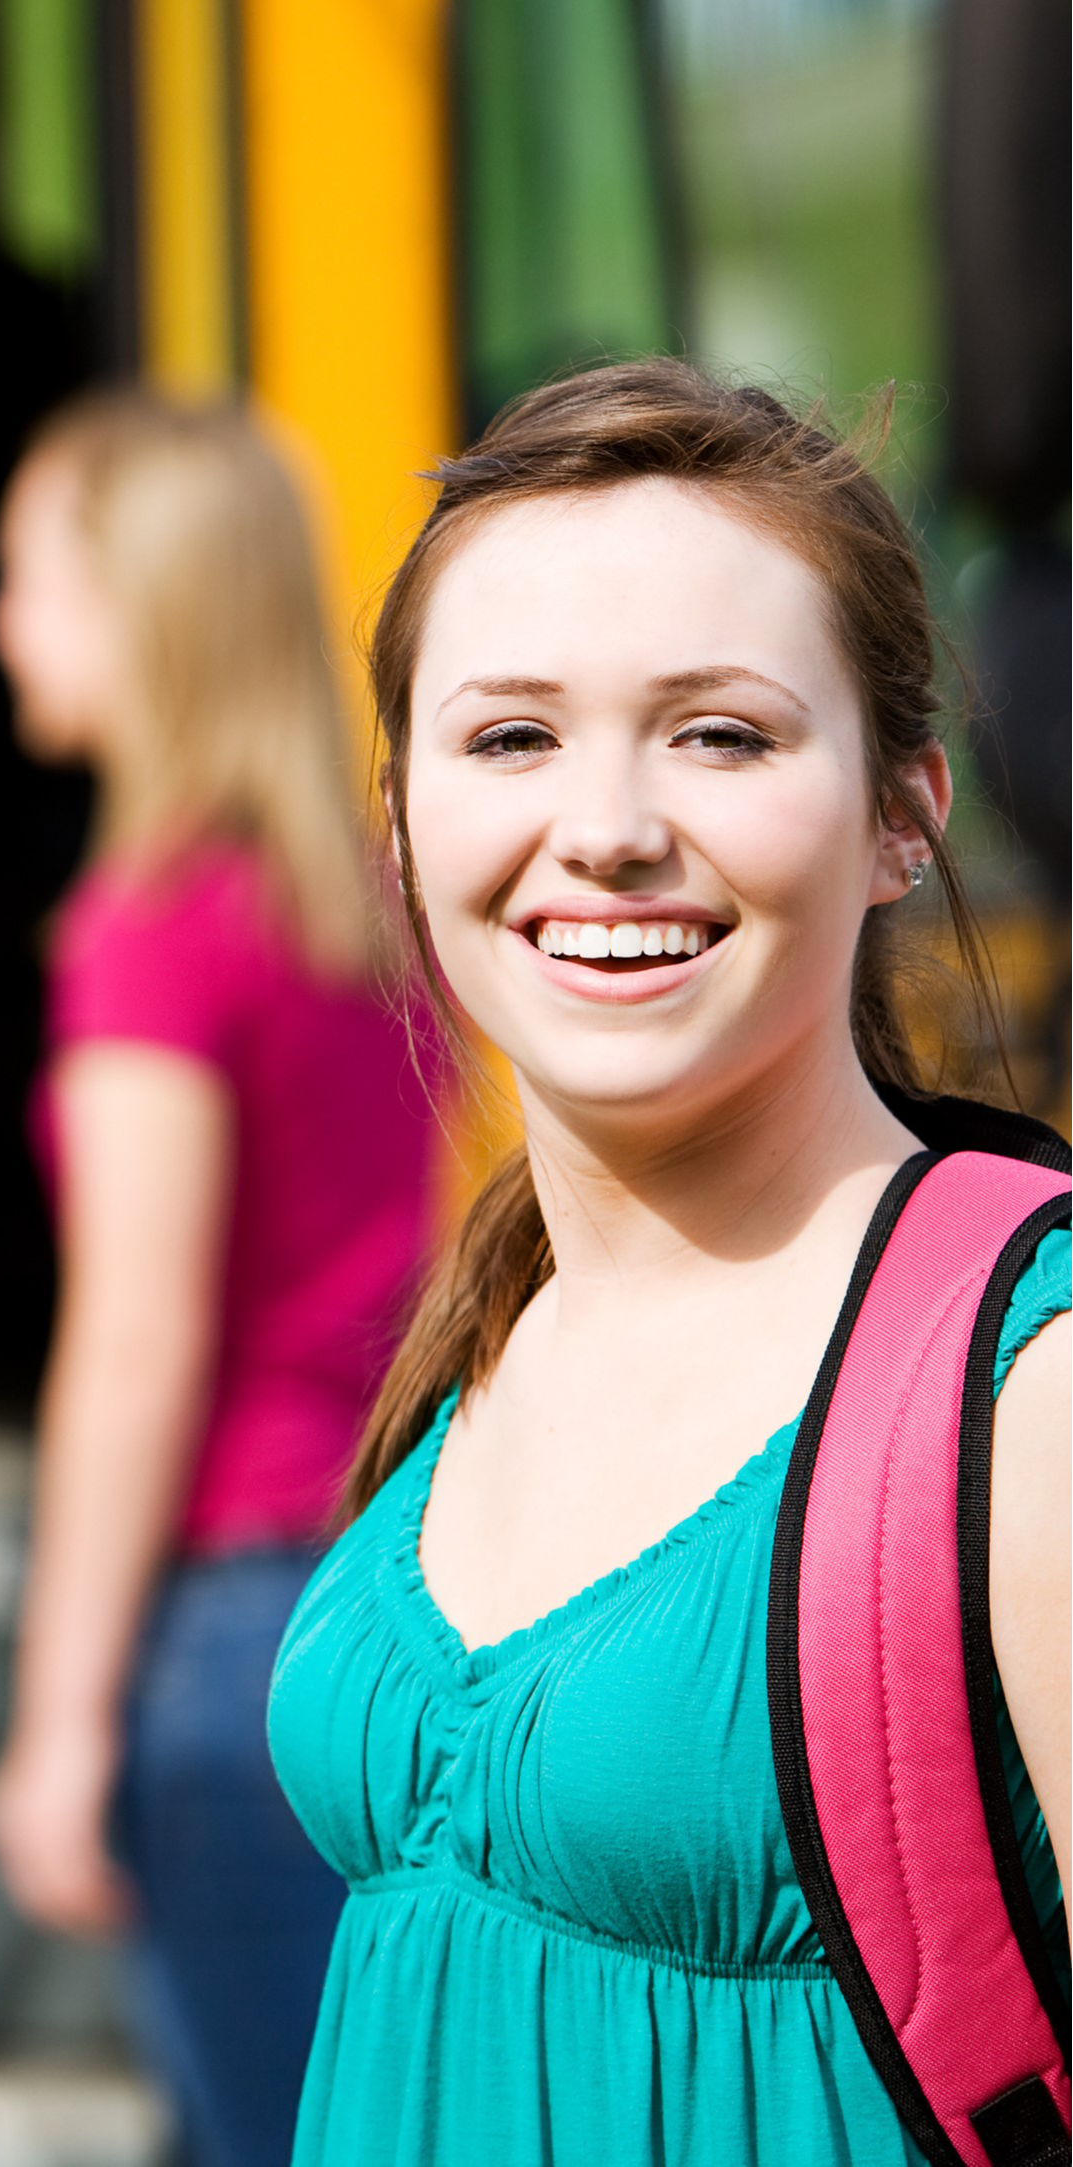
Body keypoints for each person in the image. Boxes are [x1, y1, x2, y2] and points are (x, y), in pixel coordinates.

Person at [265, 360, 1070, 2163]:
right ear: (402, 825)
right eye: (510, 736)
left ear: (902, 815)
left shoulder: (1030, 1393)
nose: (610, 825)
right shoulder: (496, 1319)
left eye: (720, 732)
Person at [0, 393, 439, 2167]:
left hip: (234, 1620)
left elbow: (138, 1339)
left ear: (133, 601)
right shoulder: (360, 906)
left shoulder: (153, 932)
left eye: (31, 572)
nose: (6, 615)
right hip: (386, 1573)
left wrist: (57, 1716)